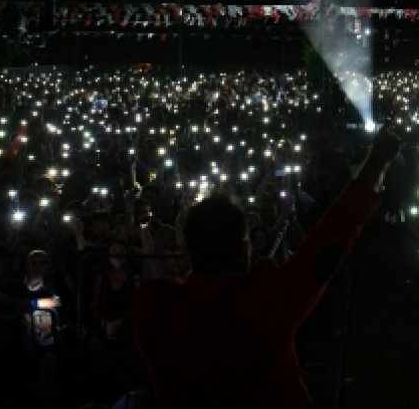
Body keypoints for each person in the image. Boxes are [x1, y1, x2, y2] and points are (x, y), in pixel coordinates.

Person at [129, 124, 404, 408]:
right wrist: (378, 160)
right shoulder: (264, 299)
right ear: (243, 248)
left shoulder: (152, 307)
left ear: (186, 249)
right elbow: (335, 233)